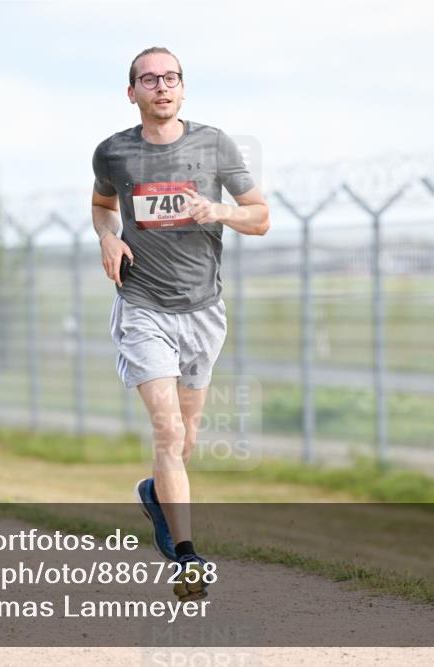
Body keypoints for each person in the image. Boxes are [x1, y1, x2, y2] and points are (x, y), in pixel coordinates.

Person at [91, 48, 269, 601]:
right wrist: (108, 236)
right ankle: (187, 559)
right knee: (167, 431)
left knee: (187, 436)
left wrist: (221, 212)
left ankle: (155, 492)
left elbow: (260, 216)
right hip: (143, 306)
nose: (161, 88)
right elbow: (101, 205)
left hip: (203, 311)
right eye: (149, 80)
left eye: (170, 79)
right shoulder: (113, 152)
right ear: (132, 92)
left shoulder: (215, 144)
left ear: (183, 89)